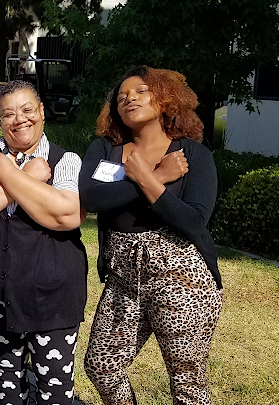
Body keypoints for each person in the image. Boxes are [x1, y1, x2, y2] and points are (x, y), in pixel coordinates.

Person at [79, 66, 223, 405]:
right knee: (101, 365)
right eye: (121, 96)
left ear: (165, 98)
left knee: (187, 385)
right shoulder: (105, 149)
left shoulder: (193, 156)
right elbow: (92, 198)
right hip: (123, 279)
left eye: (141, 91)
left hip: (183, 280)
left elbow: (193, 221)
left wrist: (146, 181)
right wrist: (155, 175)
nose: (129, 98)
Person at [0, 80, 87, 405]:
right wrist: (30, 177)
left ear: (41, 112)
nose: (19, 119)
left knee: (54, 395)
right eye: (8, 113)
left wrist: (8, 174)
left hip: (52, 302)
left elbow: (65, 215)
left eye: (27, 110)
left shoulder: (65, 159)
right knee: (8, 392)